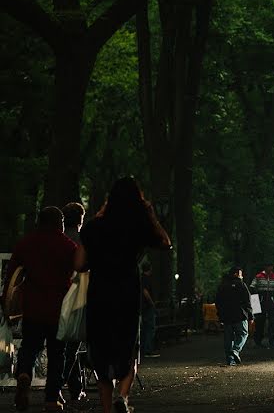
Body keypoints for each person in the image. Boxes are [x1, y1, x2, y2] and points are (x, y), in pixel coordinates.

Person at [80, 177, 171, 413]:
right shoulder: (138, 227)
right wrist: (150, 214)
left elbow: (79, 264)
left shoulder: (94, 228)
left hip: (99, 295)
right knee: (128, 348)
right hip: (128, 295)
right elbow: (165, 242)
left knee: (101, 350)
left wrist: (98, 218)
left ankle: (108, 408)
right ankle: (123, 395)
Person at [3, 206, 81, 412]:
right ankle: (51, 398)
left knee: (29, 346)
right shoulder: (68, 246)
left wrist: (7, 305)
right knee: (57, 354)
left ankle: (24, 374)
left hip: (33, 307)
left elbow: (11, 277)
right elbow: (77, 274)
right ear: (60, 223)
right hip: (58, 309)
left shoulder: (25, 245)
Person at [61, 201, 89, 409]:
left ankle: (75, 387)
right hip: (77, 297)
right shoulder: (82, 241)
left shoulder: (59, 239)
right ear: (80, 220)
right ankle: (58, 385)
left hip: (54, 295)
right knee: (72, 346)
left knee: (60, 345)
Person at [215, 266, 252, 366]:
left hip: (226, 316)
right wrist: (250, 315)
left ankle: (230, 360)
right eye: (240, 274)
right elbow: (247, 301)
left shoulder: (222, 285)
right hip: (240, 315)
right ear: (236, 274)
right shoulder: (241, 284)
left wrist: (220, 314)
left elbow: (218, 301)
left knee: (228, 338)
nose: (242, 276)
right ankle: (236, 350)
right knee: (243, 333)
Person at [250, 263, 274, 348]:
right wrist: (255, 304)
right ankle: (258, 341)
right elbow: (252, 288)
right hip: (261, 300)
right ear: (265, 267)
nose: (270, 268)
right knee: (260, 322)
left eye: (271, 266)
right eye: (268, 266)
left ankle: (273, 341)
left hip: (270, 301)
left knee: (273, 321)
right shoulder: (258, 277)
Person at [140, 264, 159, 358]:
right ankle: (148, 349)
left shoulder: (141, 278)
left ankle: (144, 349)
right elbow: (145, 291)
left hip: (143, 307)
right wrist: (151, 302)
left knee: (145, 328)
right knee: (150, 328)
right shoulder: (146, 279)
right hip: (147, 307)